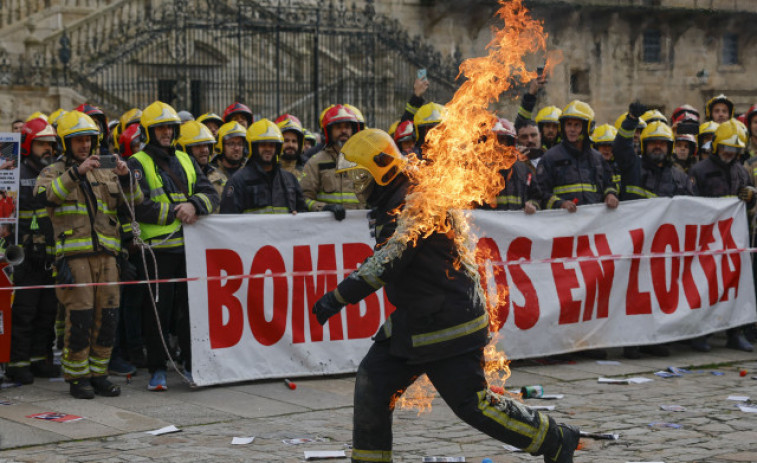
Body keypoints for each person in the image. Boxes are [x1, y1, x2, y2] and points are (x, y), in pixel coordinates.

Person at [312, 128, 580, 463]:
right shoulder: (397, 198)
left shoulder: (413, 201)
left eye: (359, 176)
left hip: (448, 323)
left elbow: (388, 260)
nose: (355, 186)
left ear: (381, 170)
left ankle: (555, 440)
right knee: (373, 383)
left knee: (472, 404)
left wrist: (336, 297)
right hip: (418, 319)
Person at [35, 110, 142, 399]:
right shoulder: (53, 172)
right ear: (65, 144)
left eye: (88, 140)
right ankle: (77, 376)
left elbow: (135, 204)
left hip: (108, 256)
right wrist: (74, 174)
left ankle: (99, 373)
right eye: (78, 140)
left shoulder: (106, 170)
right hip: (74, 258)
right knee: (80, 319)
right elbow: (45, 197)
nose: (84, 146)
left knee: (107, 317)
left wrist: (126, 179)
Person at [127, 101, 219, 391]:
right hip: (157, 250)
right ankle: (157, 369)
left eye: (169, 127)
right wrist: (181, 210)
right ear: (149, 132)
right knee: (157, 313)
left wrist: (194, 204)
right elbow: (138, 207)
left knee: (190, 312)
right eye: (160, 128)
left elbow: (210, 194)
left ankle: (191, 365)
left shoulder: (187, 159)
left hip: (189, 249)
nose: (166, 132)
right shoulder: (136, 163)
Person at [689, 119, 755, 352]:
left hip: (735, 240)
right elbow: (692, 205)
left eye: (735, 149)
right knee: (705, 285)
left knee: (734, 287)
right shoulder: (700, 170)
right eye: (726, 147)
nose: (730, 153)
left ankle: (734, 333)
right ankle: (701, 333)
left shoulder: (741, 172)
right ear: (717, 146)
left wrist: (751, 196)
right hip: (708, 240)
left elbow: (747, 206)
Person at [6, 118, 59, 385]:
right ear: (28, 143)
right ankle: (18, 363)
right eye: (41, 144)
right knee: (24, 312)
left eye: (50, 144)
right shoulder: (15, 170)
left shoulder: (55, 173)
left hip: (49, 256)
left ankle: (41, 359)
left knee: (47, 311)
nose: (47, 149)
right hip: (24, 256)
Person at [220, 119, 307, 214]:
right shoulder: (237, 181)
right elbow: (228, 221)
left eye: (271, 145)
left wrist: (296, 215)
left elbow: (303, 215)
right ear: (253, 147)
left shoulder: (290, 180)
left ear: (277, 148)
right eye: (263, 145)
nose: (268, 149)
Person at [301, 104, 365, 219]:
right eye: (338, 127)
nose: (344, 131)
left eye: (347, 127)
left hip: (359, 232)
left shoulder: (364, 161)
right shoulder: (315, 163)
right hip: (327, 233)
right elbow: (303, 199)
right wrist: (324, 208)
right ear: (329, 132)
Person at [490, 118, 540, 213]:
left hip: (516, 226)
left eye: (503, 140)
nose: (499, 145)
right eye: (495, 140)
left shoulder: (524, 171)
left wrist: (532, 205)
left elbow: (537, 197)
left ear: (510, 143)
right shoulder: (478, 176)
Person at [178, 121, 226, 198]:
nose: (205, 150)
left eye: (206, 145)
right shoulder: (176, 178)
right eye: (198, 146)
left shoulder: (219, 177)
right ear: (185, 150)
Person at [275, 113, 306, 181]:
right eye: (286, 141)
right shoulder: (268, 170)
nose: (290, 145)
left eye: (294, 141)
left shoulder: (309, 169)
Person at [591, 123, 620, 192]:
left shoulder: (621, 166)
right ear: (595, 147)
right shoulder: (589, 167)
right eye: (603, 145)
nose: (607, 149)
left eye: (610, 146)